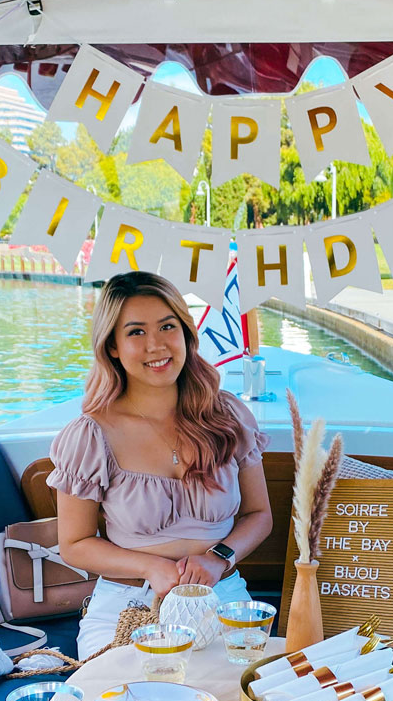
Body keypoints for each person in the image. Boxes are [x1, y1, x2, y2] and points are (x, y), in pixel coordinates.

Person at [50, 271, 273, 658]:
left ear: (185, 333)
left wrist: (218, 559)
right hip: (128, 603)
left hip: (221, 594)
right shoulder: (90, 435)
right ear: (113, 347)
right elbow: (74, 544)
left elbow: (259, 514)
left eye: (167, 327)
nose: (156, 345)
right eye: (136, 332)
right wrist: (151, 567)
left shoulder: (230, 416)